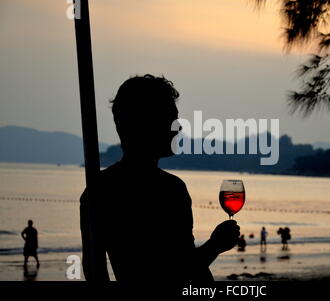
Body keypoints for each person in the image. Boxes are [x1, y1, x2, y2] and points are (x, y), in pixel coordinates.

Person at [80, 75, 240, 282]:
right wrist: (216, 245)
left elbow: (93, 269)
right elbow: (175, 271)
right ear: (147, 124)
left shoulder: (99, 189)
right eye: (171, 119)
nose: (179, 127)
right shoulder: (169, 189)